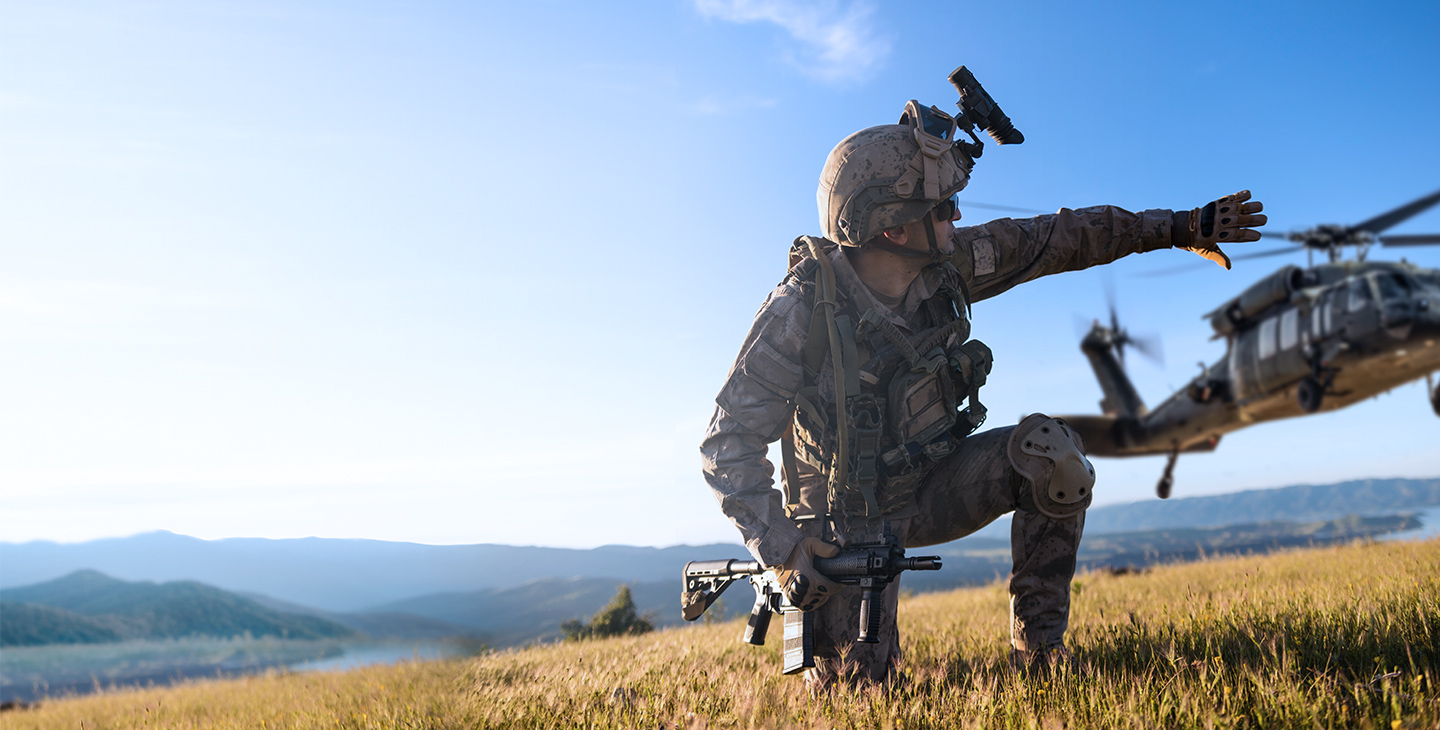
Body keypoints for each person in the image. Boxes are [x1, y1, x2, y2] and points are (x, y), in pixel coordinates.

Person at [699, 96, 1266, 688]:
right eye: (943, 208)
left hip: (933, 482)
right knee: (856, 694)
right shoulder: (798, 314)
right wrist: (786, 548)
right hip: (845, 520)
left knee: (1054, 455)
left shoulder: (948, 264)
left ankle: (1040, 658)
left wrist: (1178, 227)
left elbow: (1059, 237)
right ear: (893, 226)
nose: (958, 218)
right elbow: (727, 443)